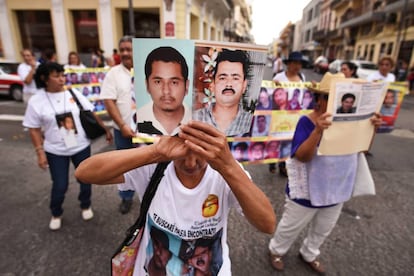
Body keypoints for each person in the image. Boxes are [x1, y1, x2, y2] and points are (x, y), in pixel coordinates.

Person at [75, 120, 276, 276]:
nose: (190, 163)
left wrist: (229, 166)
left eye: (199, 154)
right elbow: (84, 172)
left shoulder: (225, 173)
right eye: (182, 153)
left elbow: (267, 224)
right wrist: (154, 152)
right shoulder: (154, 165)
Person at [268, 72, 382, 274]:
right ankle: (277, 250)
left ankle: (309, 253)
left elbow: (363, 149)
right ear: (318, 100)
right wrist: (317, 131)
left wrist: (371, 129)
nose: (333, 103)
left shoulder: (352, 122)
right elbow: (302, 156)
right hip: (308, 190)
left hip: (337, 188)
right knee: (291, 225)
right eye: (329, 97)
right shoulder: (307, 122)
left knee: (323, 228)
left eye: (338, 98)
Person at [22, 62, 112, 231]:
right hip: (55, 150)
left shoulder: (73, 92)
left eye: (62, 75)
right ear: (44, 78)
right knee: (60, 184)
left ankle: (85, 205)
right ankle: (56, 212)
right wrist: (39, 152)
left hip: (81, 146)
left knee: (86, 178)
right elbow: (33, 129)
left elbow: (90, 112)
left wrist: (105, 129)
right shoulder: (36, 100)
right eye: (56, 76)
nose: (62, 79)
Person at [100, 36, 136, 214]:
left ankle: (153, 197)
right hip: (123, 132)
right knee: (125, 168)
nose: (125, 53)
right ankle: (126, 198)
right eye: (122, 49)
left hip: (147, 134)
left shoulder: (148, 69)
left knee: (152, 167)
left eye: (128, 49)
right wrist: (122, 125)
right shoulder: (113, 73)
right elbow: (109, 101)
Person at [193, 49, 252, 136]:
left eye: (235, 78)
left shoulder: (251, 122)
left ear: (244, 85)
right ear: (212, 84)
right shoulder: (194, 119)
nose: (228, 84)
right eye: (222, 78)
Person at [136, 46, 192, 136]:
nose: (166, 91)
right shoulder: (136, 120)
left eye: (174, 82)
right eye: (158, 82)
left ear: (187, 86)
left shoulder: (199, 120)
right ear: (147, 85)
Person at [271, 51, 306, 176]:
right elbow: (271, 95)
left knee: (290, 140)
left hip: (296, 115)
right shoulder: (279, 78)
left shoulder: (302, 78)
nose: (297, 66)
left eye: (300, 64)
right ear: (289, 64)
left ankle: (284, 164)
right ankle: (274, 162)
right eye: (295, 63)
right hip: (281, 114)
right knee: (279, 139)